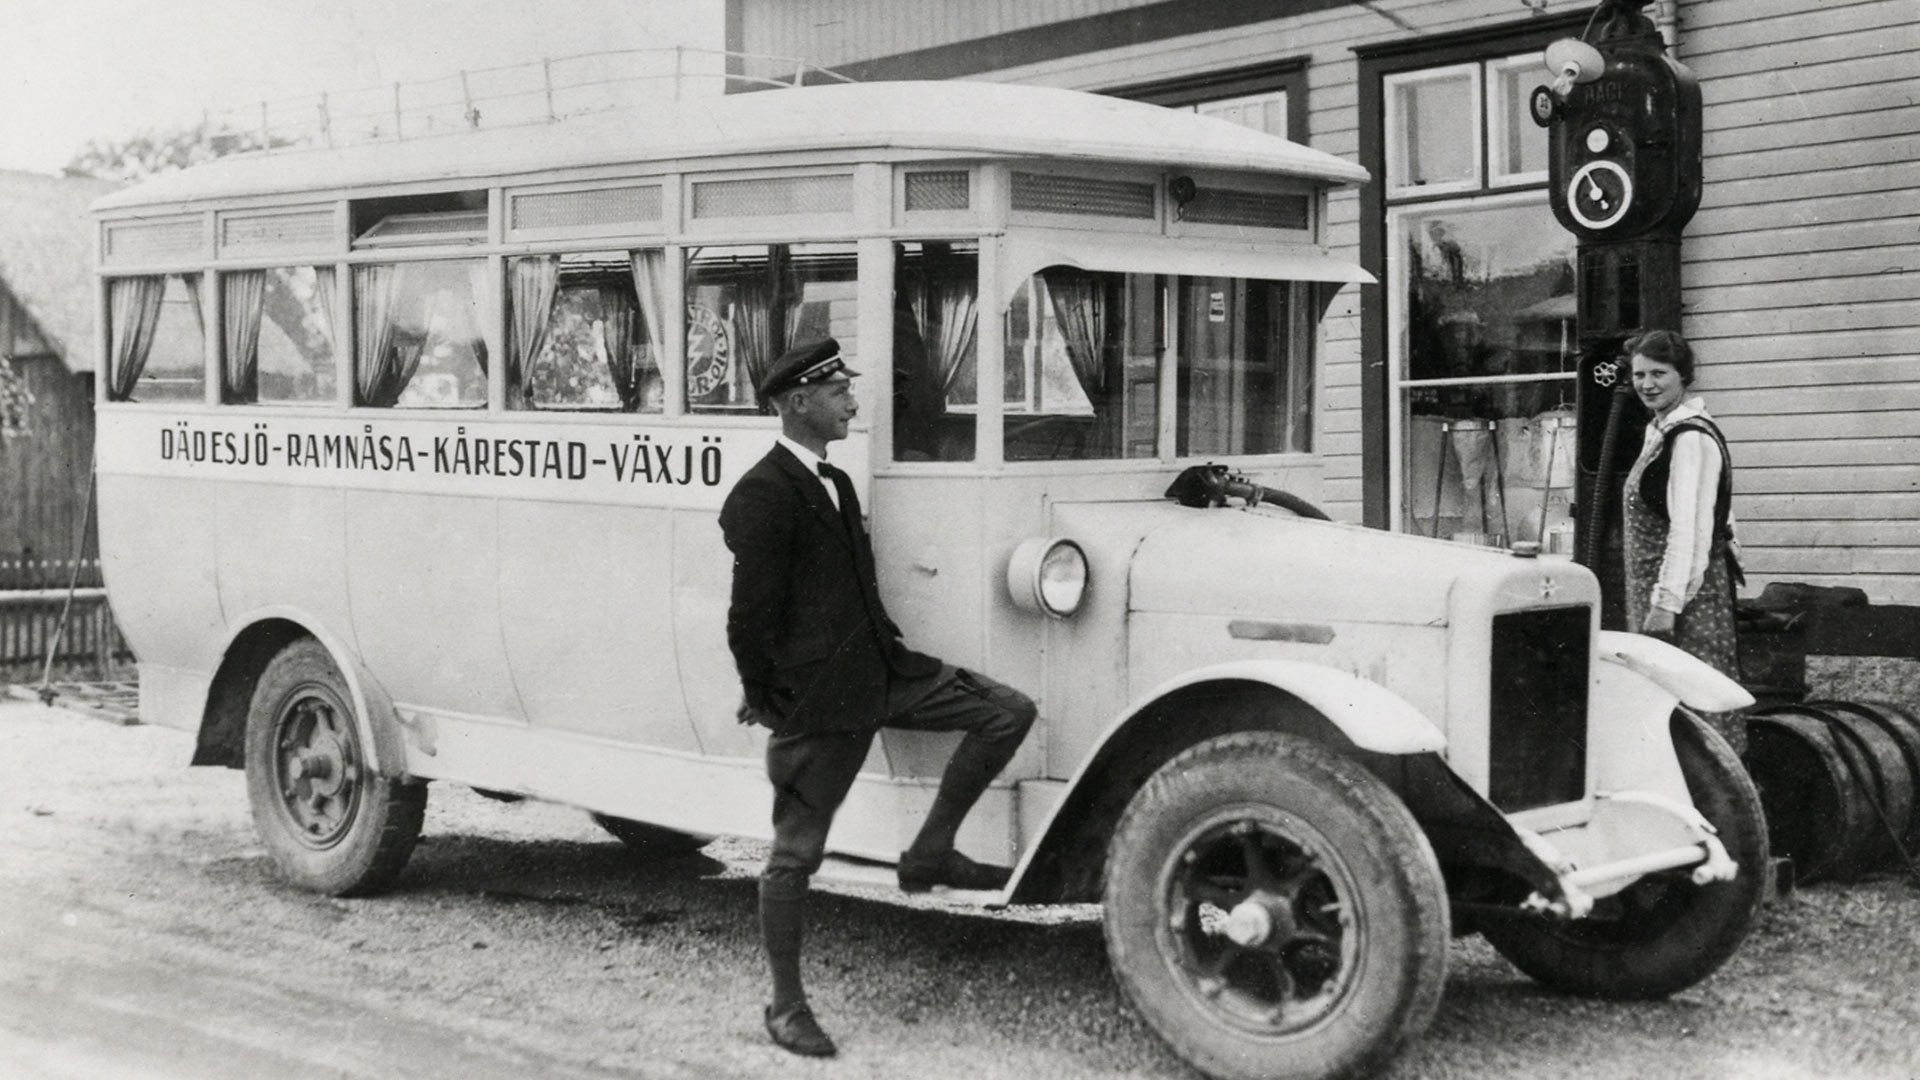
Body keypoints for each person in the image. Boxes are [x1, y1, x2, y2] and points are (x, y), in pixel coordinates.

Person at [719, 337, 1037, 1058]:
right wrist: (765, 693)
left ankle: (929, 854)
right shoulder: (763, 494)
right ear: (799, 402)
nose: (853, 404)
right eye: (838, 394)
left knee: (1005, 711)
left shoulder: (835, 481)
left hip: (881, 670)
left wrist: (890, 653)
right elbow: (749, 616)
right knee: (795, 854)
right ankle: (786, 1006)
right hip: (821, 698)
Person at [1619, 329, 1745, 752]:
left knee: (1699, 699)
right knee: (1662, 701)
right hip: (1658, 592)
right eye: (1639, 374)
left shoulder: (1690, 437)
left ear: (1683, 376)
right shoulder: (1659, 431)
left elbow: (1691, 528)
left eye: (1660, 373)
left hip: (1685, 601)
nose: (1647, 384)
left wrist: (1666, 605)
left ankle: (1721, 804)